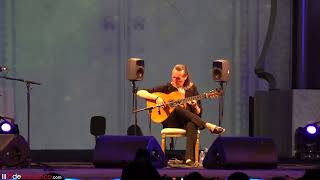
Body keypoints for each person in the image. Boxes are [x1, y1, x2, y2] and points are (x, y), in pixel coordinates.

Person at [137, 64, 225, 165]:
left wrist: (195, 106)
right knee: (176, 107)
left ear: (185, 77)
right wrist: (157, 98)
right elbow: (140, 92)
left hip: (186, 121)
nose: (174, 80)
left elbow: (198, 113)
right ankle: (207, 125)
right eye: (173, 77)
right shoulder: (167, 87)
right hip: (171, 121)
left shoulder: (192, 89)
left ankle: (189, 159)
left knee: (192, 124)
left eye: (178, 78)